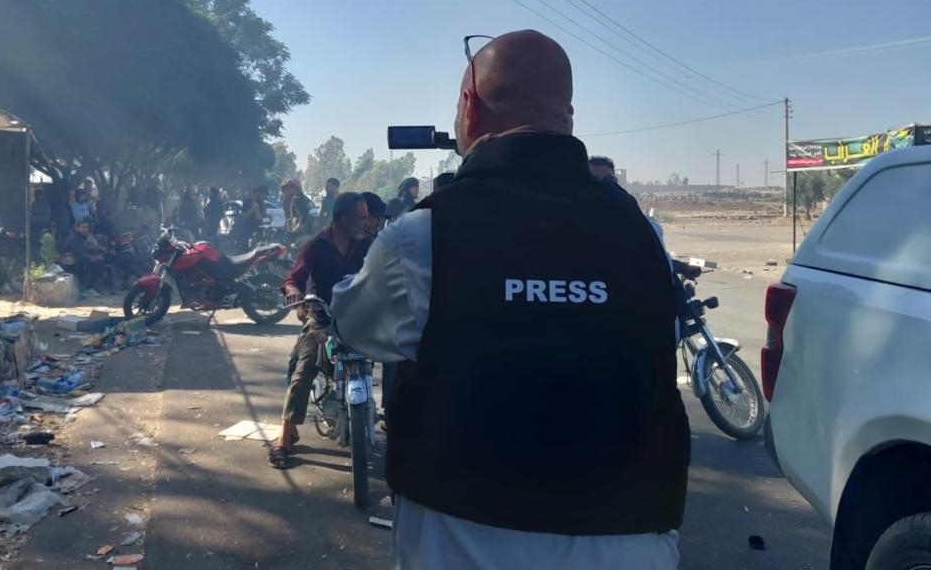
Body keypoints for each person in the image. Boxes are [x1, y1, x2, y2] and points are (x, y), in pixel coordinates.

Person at [332, 30, 688, 568]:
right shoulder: (644, 233)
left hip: (459, 537)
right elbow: (664, 336)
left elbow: (356, 327)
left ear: (469, 107)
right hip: (630, 536)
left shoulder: (422, 235)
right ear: (568, 116)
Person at [269, 192, 370, 470]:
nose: (366, 222)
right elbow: (293, 278)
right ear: (342, 218)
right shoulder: (315, 246)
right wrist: (293, 291)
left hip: (358, 319)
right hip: (322, 319)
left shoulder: (368, 245)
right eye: (361, 217)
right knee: (303, 370)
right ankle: (284, 436)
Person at [58, 219, 109, 298]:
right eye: (82, 227)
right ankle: (86, 289)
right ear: (76, 228)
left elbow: (87, 249)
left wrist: (99, 251)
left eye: (86, 227)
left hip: (76, 261)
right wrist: (94, 257)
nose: (85, 229)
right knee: (95, 263)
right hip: (69, 265)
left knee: (99, 260)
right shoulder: (74, 238)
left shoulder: (80, 237)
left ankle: (89, 286)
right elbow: (80, 255)